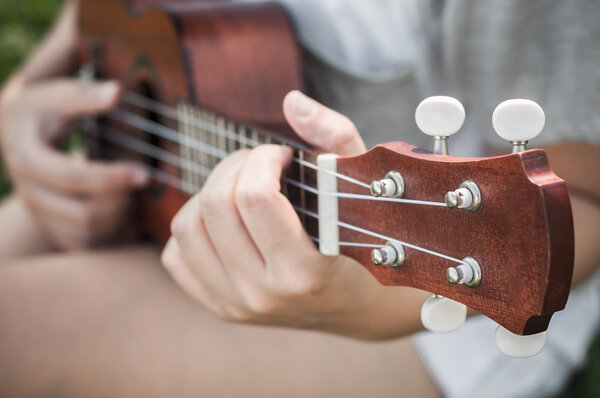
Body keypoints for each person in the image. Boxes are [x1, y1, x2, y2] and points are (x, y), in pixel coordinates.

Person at [0, 0, 598, 397]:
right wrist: (27, 93)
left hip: (419, 291)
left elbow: (583, 202)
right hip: (158, 164)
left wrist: (350, 307)